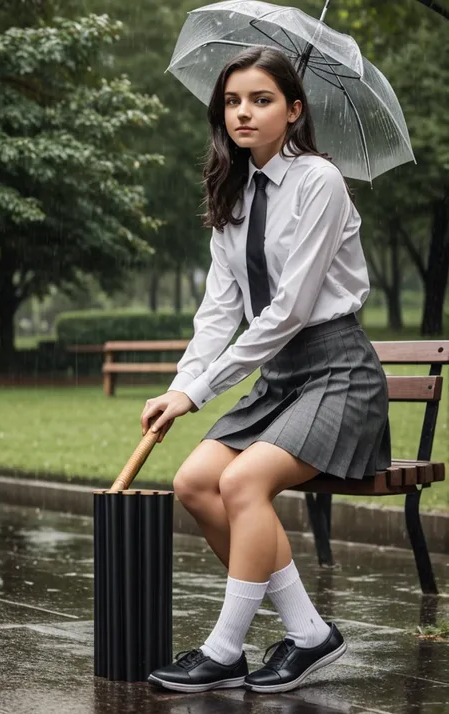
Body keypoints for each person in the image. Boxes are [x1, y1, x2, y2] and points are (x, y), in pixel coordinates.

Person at [143, 46, 391, 694]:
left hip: (338, 373)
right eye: (232, 101)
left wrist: (200, 393)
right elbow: (217, 313)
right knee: (197, 482)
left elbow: (287, 314)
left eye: (261, 99)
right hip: (281, 381)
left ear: (294, 109)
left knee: (243, 482)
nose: (243, 113)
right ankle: (309, 634)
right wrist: (178, 387)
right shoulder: (232, 195)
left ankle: (224, 651)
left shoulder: (319, 182)